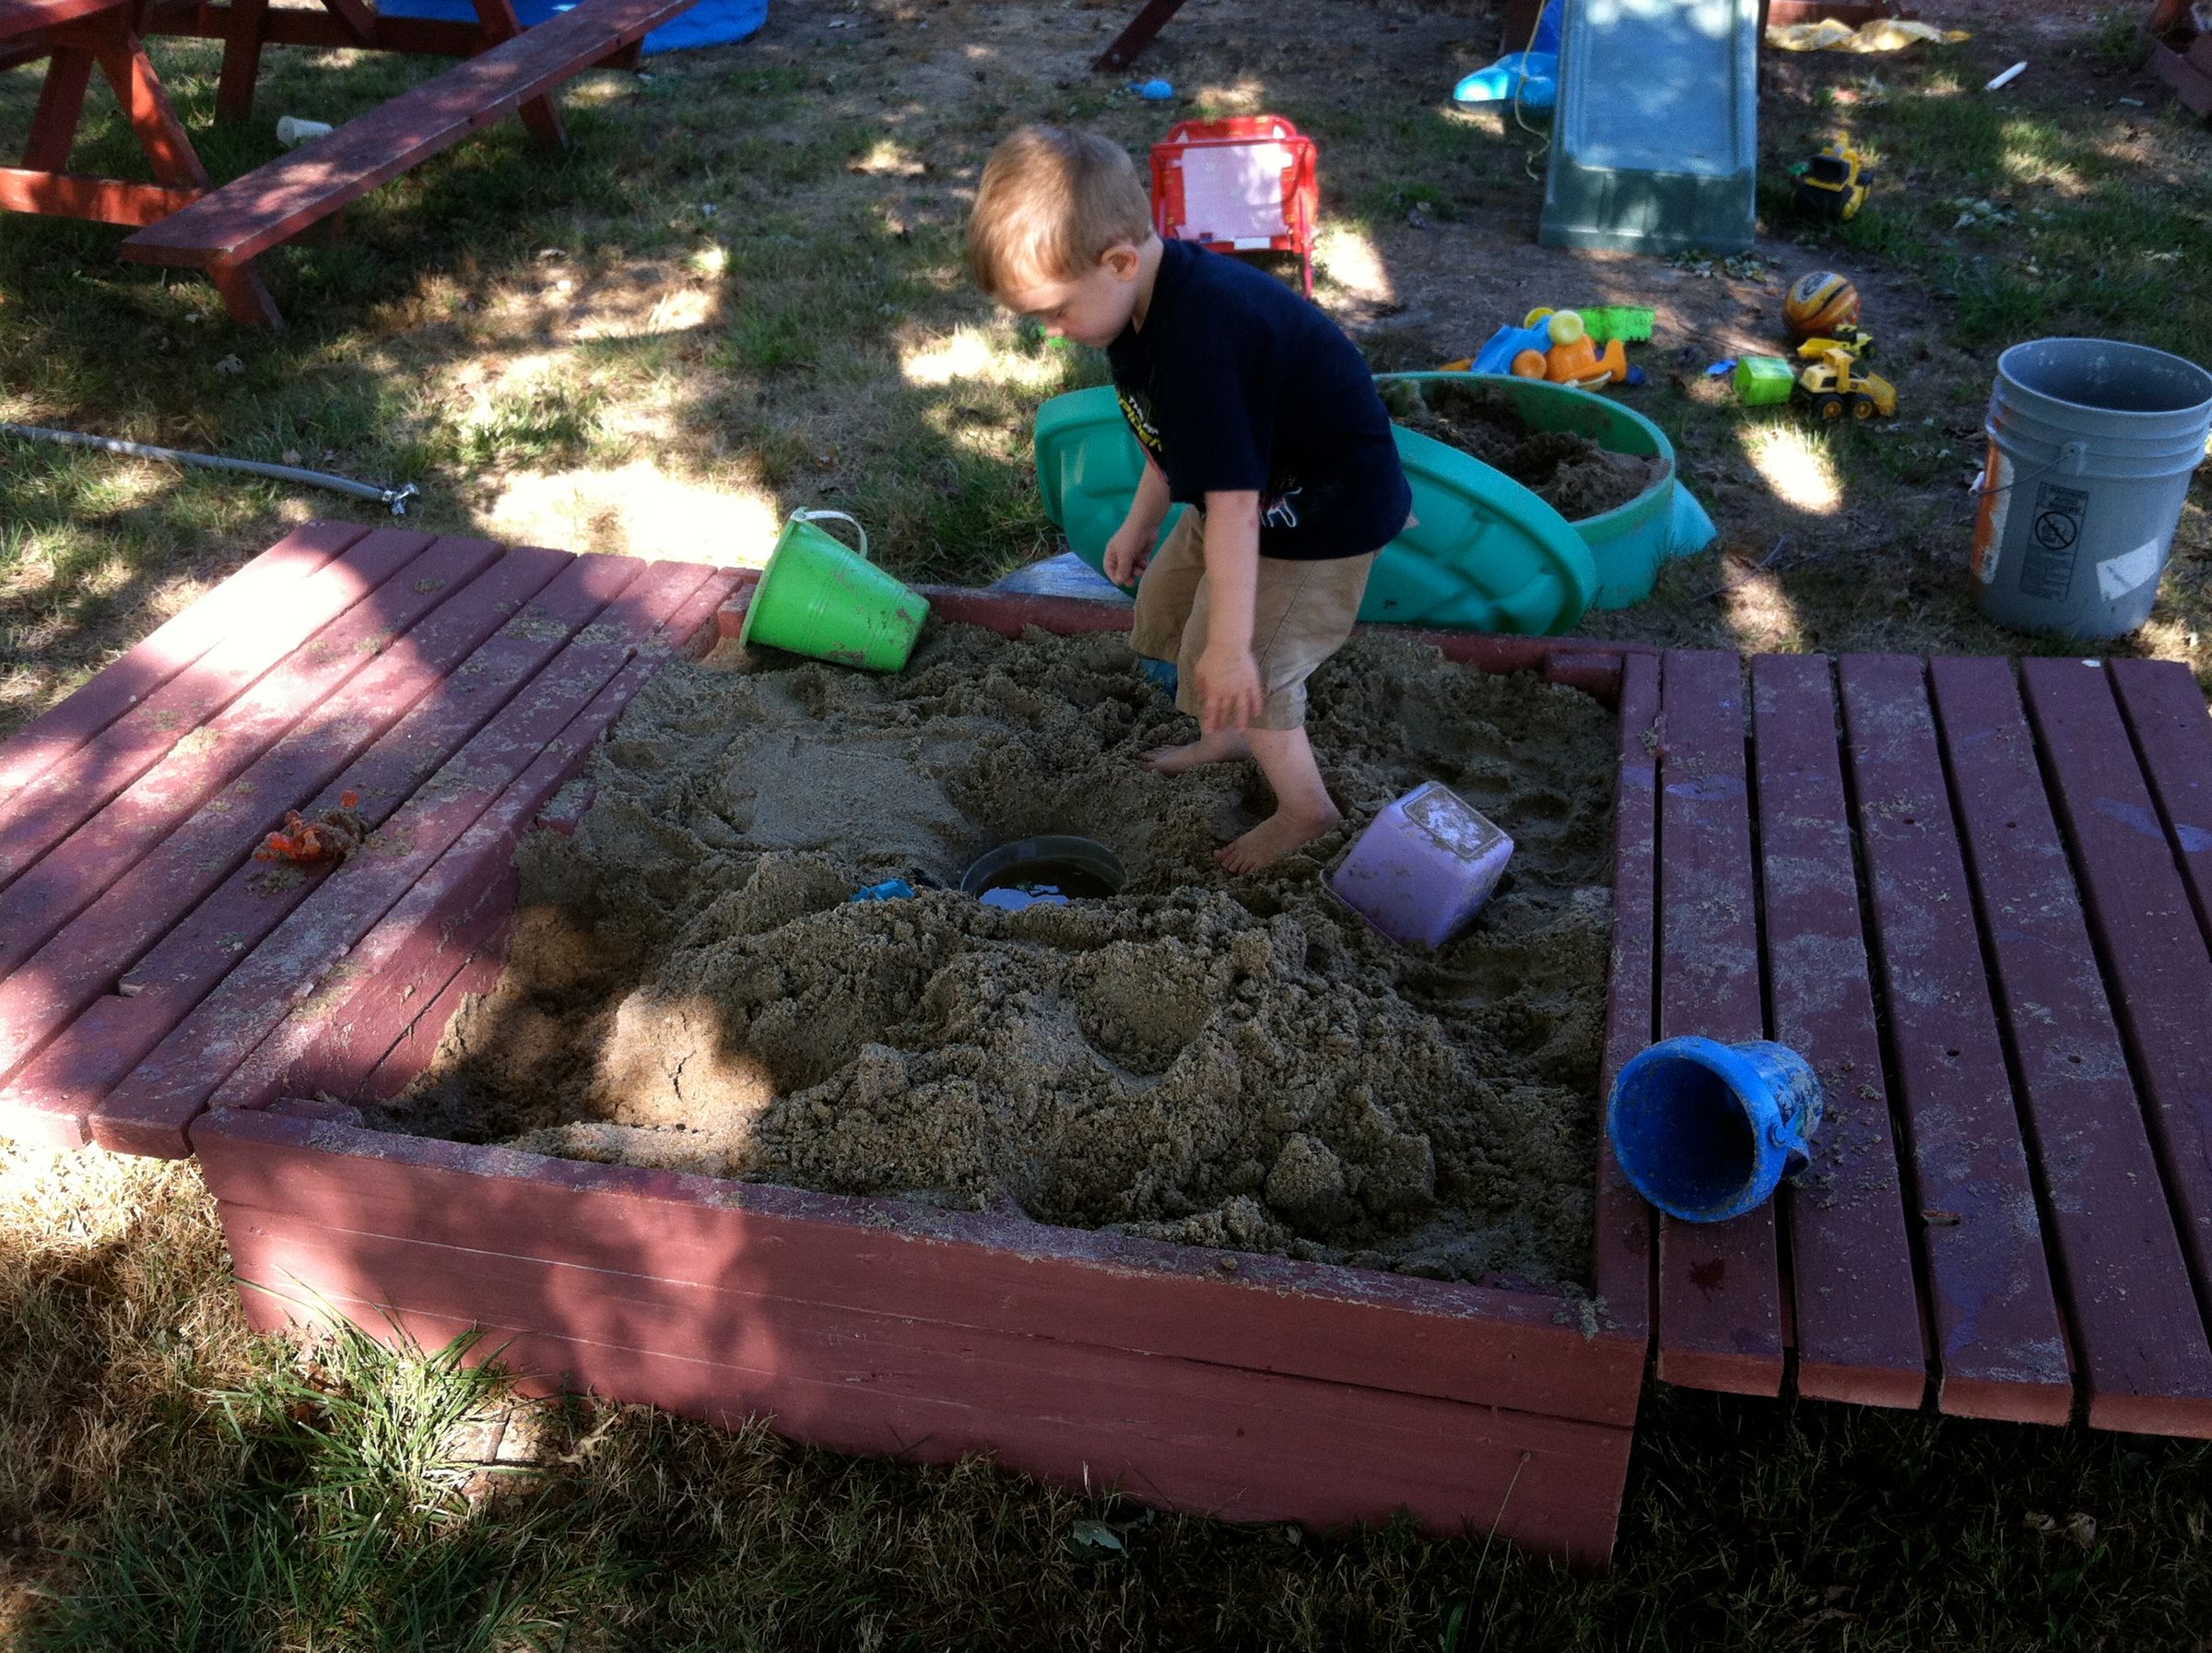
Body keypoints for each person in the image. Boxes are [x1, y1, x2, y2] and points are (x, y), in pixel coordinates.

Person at [968, 125, 1411, 872]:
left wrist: (1233, 650)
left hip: (1320, 509)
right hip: (1252, 487)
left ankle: (1305, 809)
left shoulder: (1203, 340)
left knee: (1249, 655)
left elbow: (1235, 506)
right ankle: (1227, 734)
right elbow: (1163, 435)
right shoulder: (1129, 310)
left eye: (1056, 311)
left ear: (1118, 261)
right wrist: (1141, 522)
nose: (1054, 333)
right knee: (1170, 603)